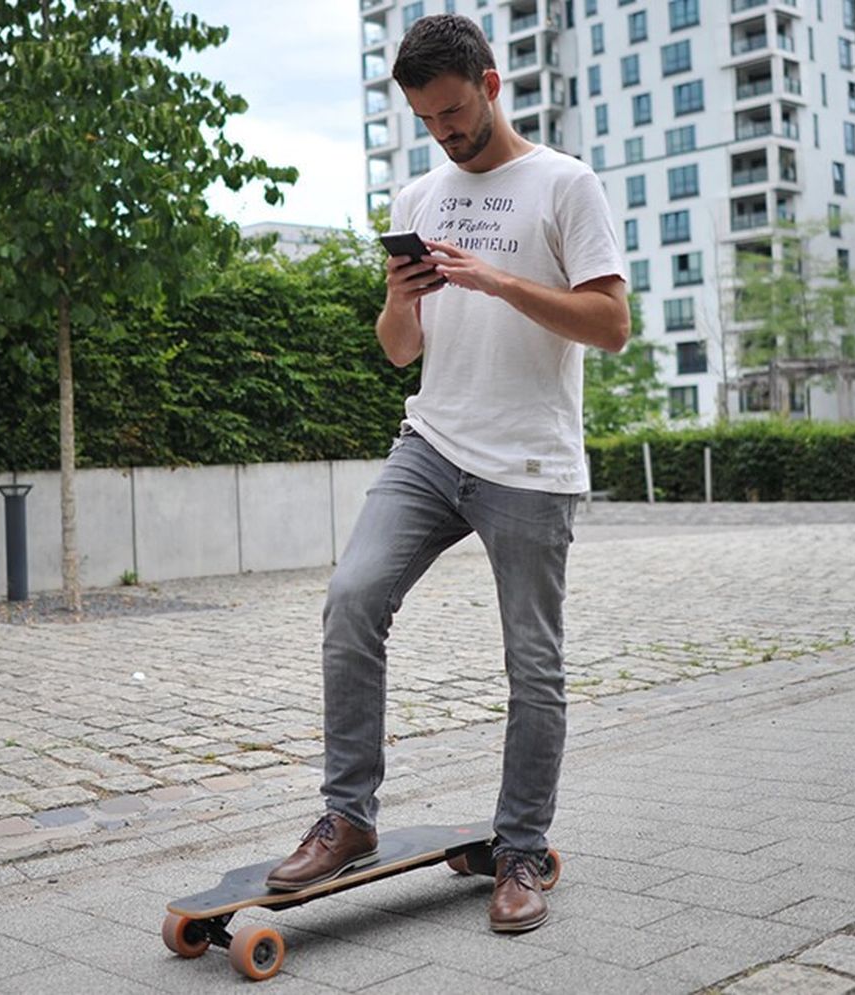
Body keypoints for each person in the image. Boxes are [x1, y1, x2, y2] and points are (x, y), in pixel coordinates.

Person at [265, 14, 629, 934]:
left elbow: (611, 325)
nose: (446, 133)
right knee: (352, 598)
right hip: (431, 444)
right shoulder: (422, 194)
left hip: (530, 463)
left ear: (492, 85)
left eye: (456, 113)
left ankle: (521, 854)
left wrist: (501, 281)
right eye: (429, 120)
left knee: (532, 663)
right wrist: (399, 299)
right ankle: (348, 815)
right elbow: (398, 353)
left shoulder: (564, 185)